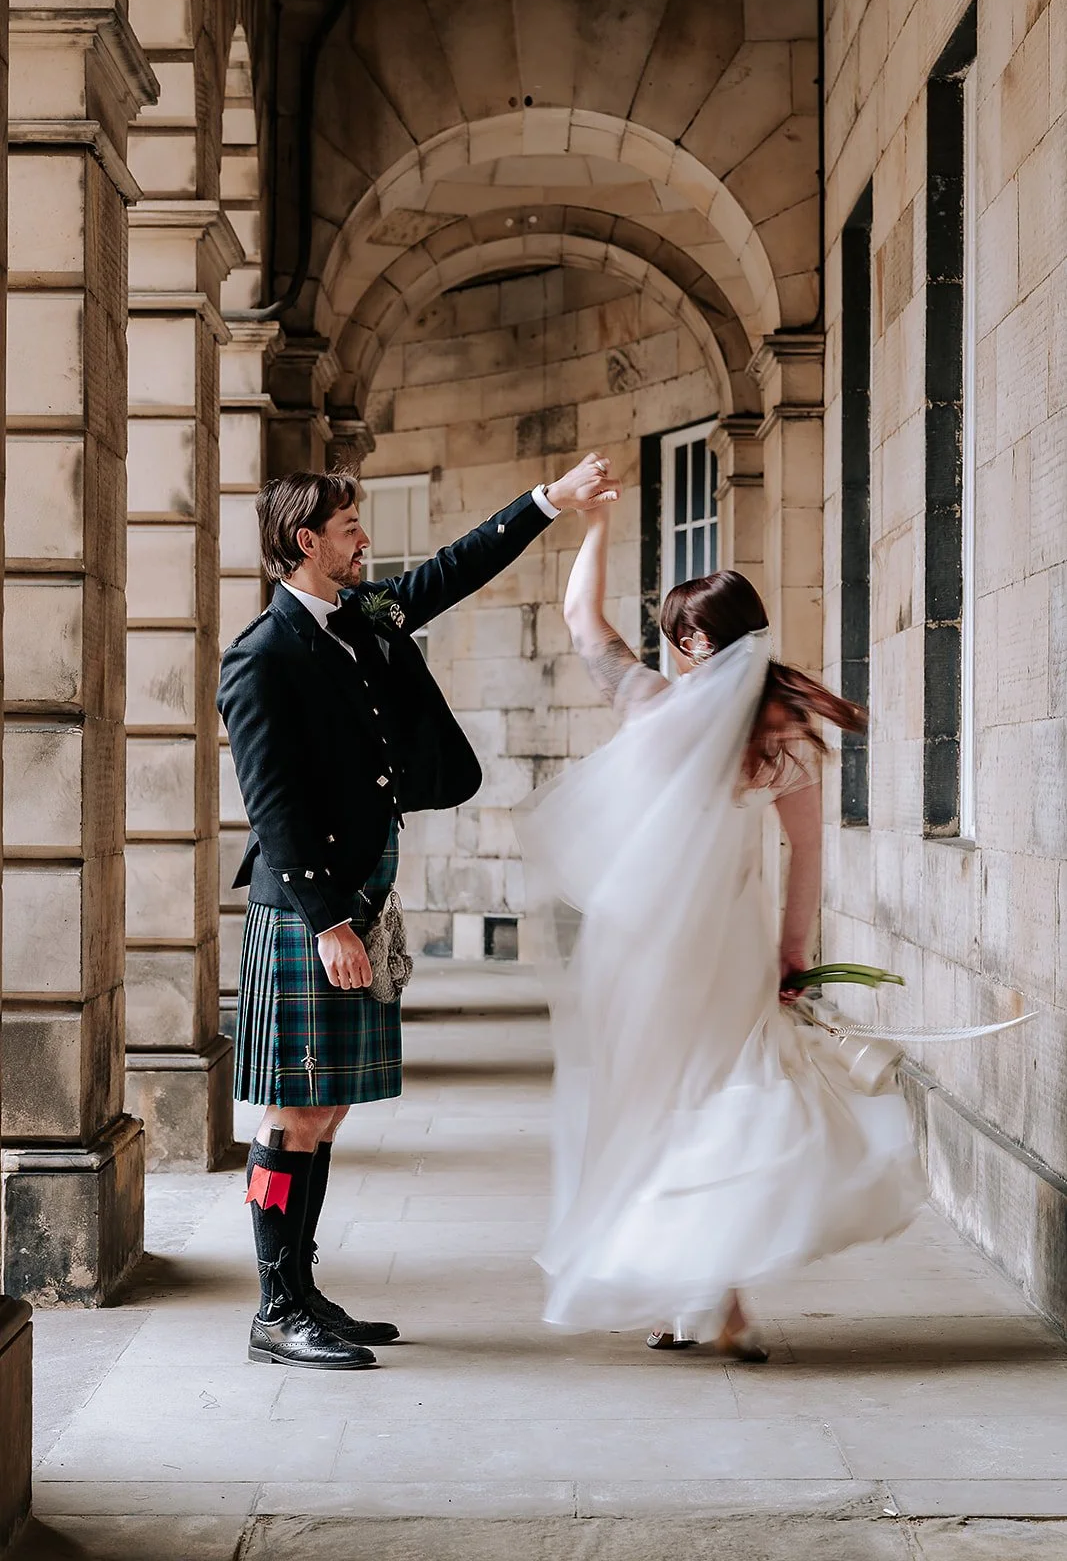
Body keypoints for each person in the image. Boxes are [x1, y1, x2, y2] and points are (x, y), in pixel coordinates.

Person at [218, 455, 618, 1370]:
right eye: (348, 526)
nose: (364, 538)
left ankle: (302, 1289)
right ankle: (277, 1310)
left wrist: (547, 504)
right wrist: (328, 923)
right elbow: (272, 804)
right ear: (302, 540)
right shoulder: (262, 655)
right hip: (308, 911)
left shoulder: (362, 617)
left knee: (323, 1114)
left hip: (359, 894)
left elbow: (452, 568)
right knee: (290, 1114)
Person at [517, 506, 927, 1359]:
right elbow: (805, 850)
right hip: (729, 942)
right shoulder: (777, 731)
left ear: (696, 643)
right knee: (722, 1091)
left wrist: (592, 522)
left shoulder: (653, 706)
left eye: (675, 635)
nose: (669, 649)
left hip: (642, 947)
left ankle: (703, 1293)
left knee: (658, 1105)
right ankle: (707, 1288)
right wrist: (792, 950)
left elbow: (580, 621)